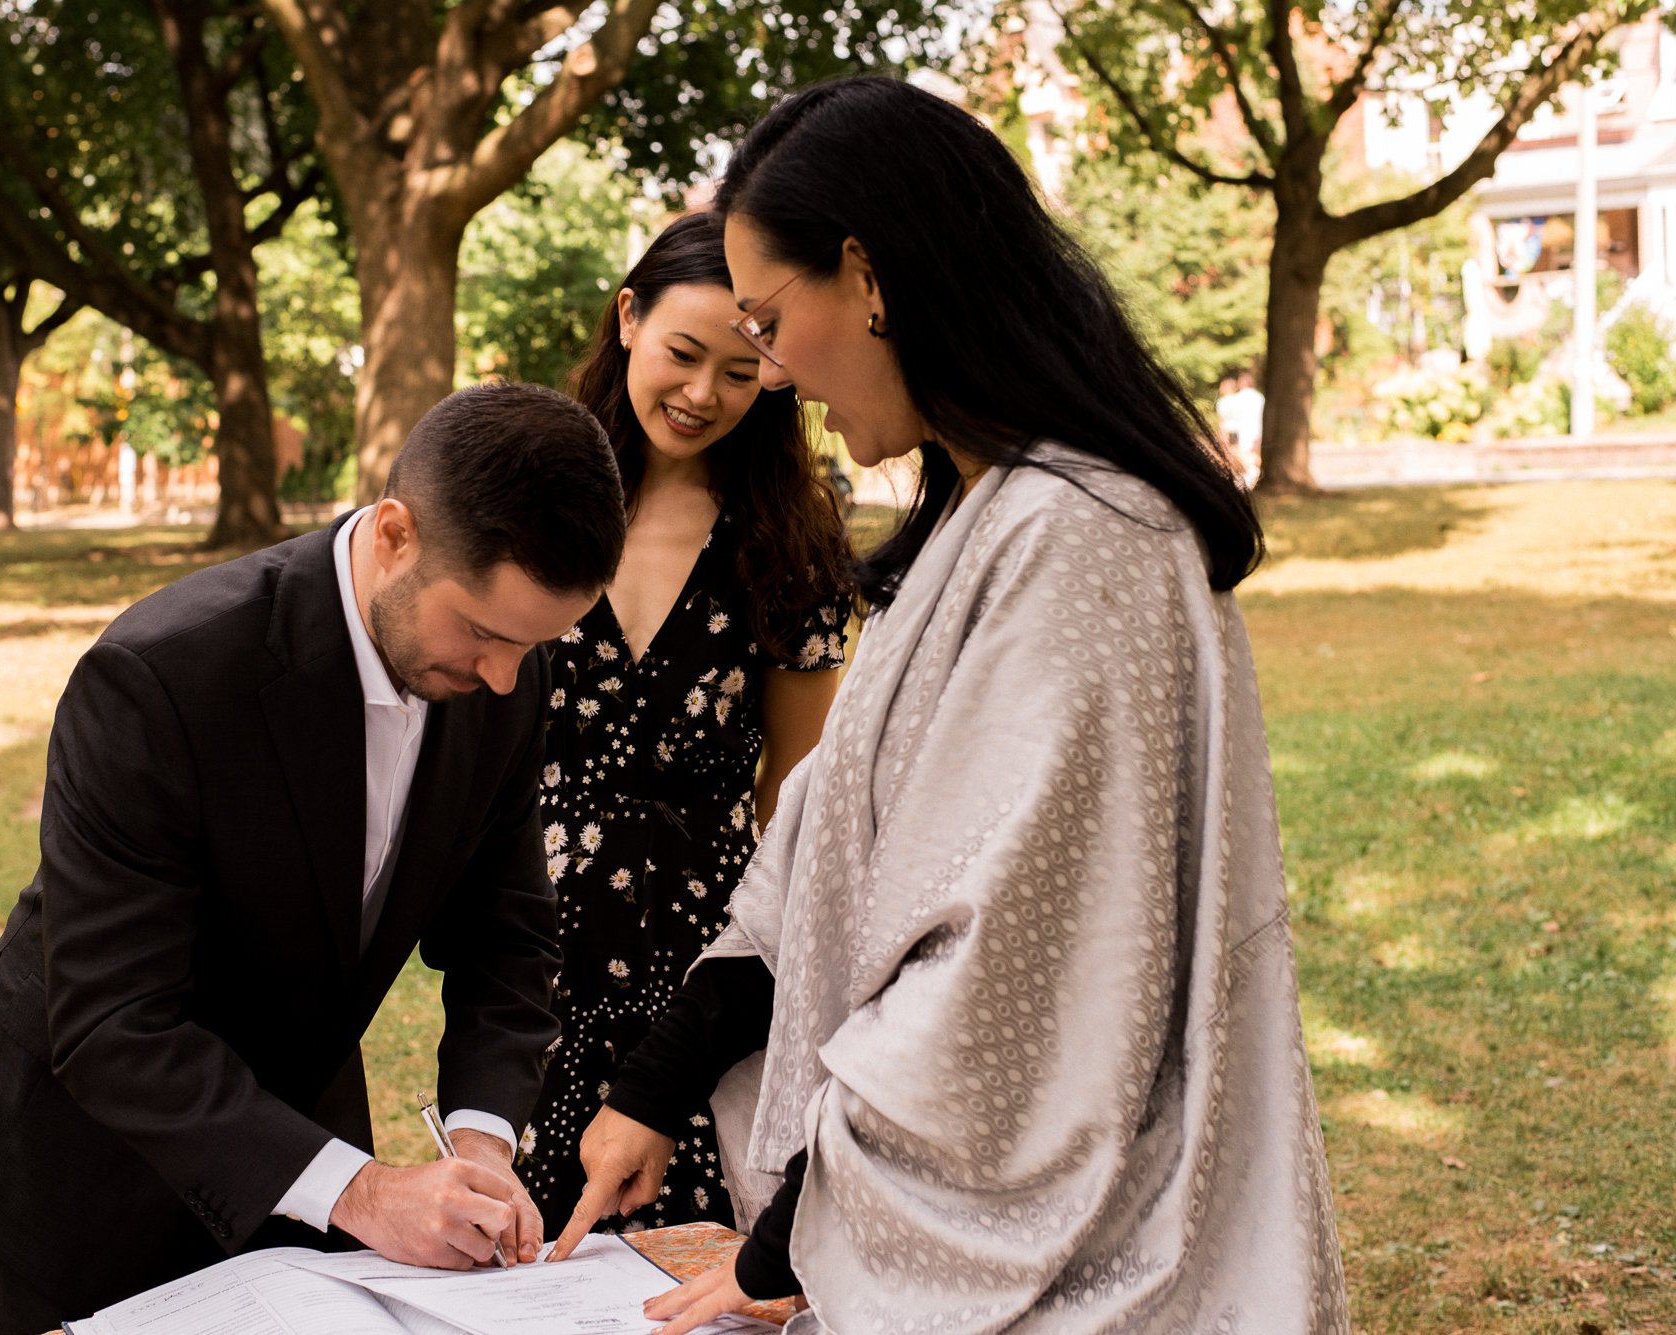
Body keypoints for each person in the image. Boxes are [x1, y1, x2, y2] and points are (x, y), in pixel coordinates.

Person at [551, 76, 1348, 1335]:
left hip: (1087, 1268)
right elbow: (823, 857)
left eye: (766, 317)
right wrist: (662, 1078)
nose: (766, 367)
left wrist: (788, 1240)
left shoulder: (1082, 539)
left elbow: (1006, 975)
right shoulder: (987, 520)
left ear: (866, 278)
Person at [0, 383, 628, 1333]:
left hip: (304, 1133)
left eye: (533, 643)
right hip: (95, 1151)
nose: (504, 677)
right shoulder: (159, 676)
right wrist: (369, 1193)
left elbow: (506, 939)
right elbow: (112, 1019)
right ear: (394, 535)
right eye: (483, 632)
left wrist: (483, 1140)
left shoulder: (509, 669)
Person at [523, 213, 854, 1236]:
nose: (702, 393)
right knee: (529, 1263)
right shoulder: (526, 499)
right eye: (681, 353)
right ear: (627, 318)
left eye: (740, 369)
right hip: (531, 957)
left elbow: (789, 802)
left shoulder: (787, 542)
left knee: (689, 1258)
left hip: (697, 966)